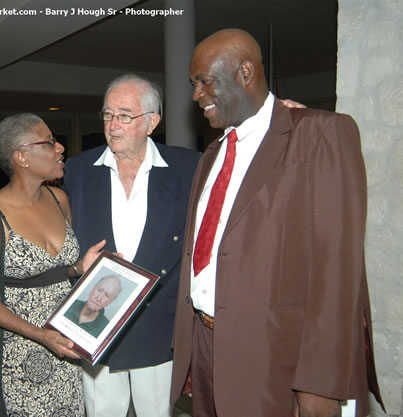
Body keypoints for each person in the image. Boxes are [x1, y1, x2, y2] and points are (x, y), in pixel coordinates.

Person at [170, 29, 384, 417]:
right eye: (193, 84)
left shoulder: (319, 134)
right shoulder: (212, 155)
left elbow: (338, 269)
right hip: (205, 347)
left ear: (245, 72)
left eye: (204, 81)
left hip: (276, 358)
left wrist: (320, 383)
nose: (196, 95)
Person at [64, 74, 201, 417]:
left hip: (158, 321)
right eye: (108, 114)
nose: (113, 125)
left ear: (152, 122)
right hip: (97, 320)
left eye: (124, 115)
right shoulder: (80, 170)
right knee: (102, 411)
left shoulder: (188, 167)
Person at [0, 113, 106, 416]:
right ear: (21, 157)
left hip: (64, 342)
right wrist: (41, 335)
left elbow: (55, 273)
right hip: (16, 352)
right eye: (49, 142)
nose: (60, 149)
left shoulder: (59, 199)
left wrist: (79, 267)